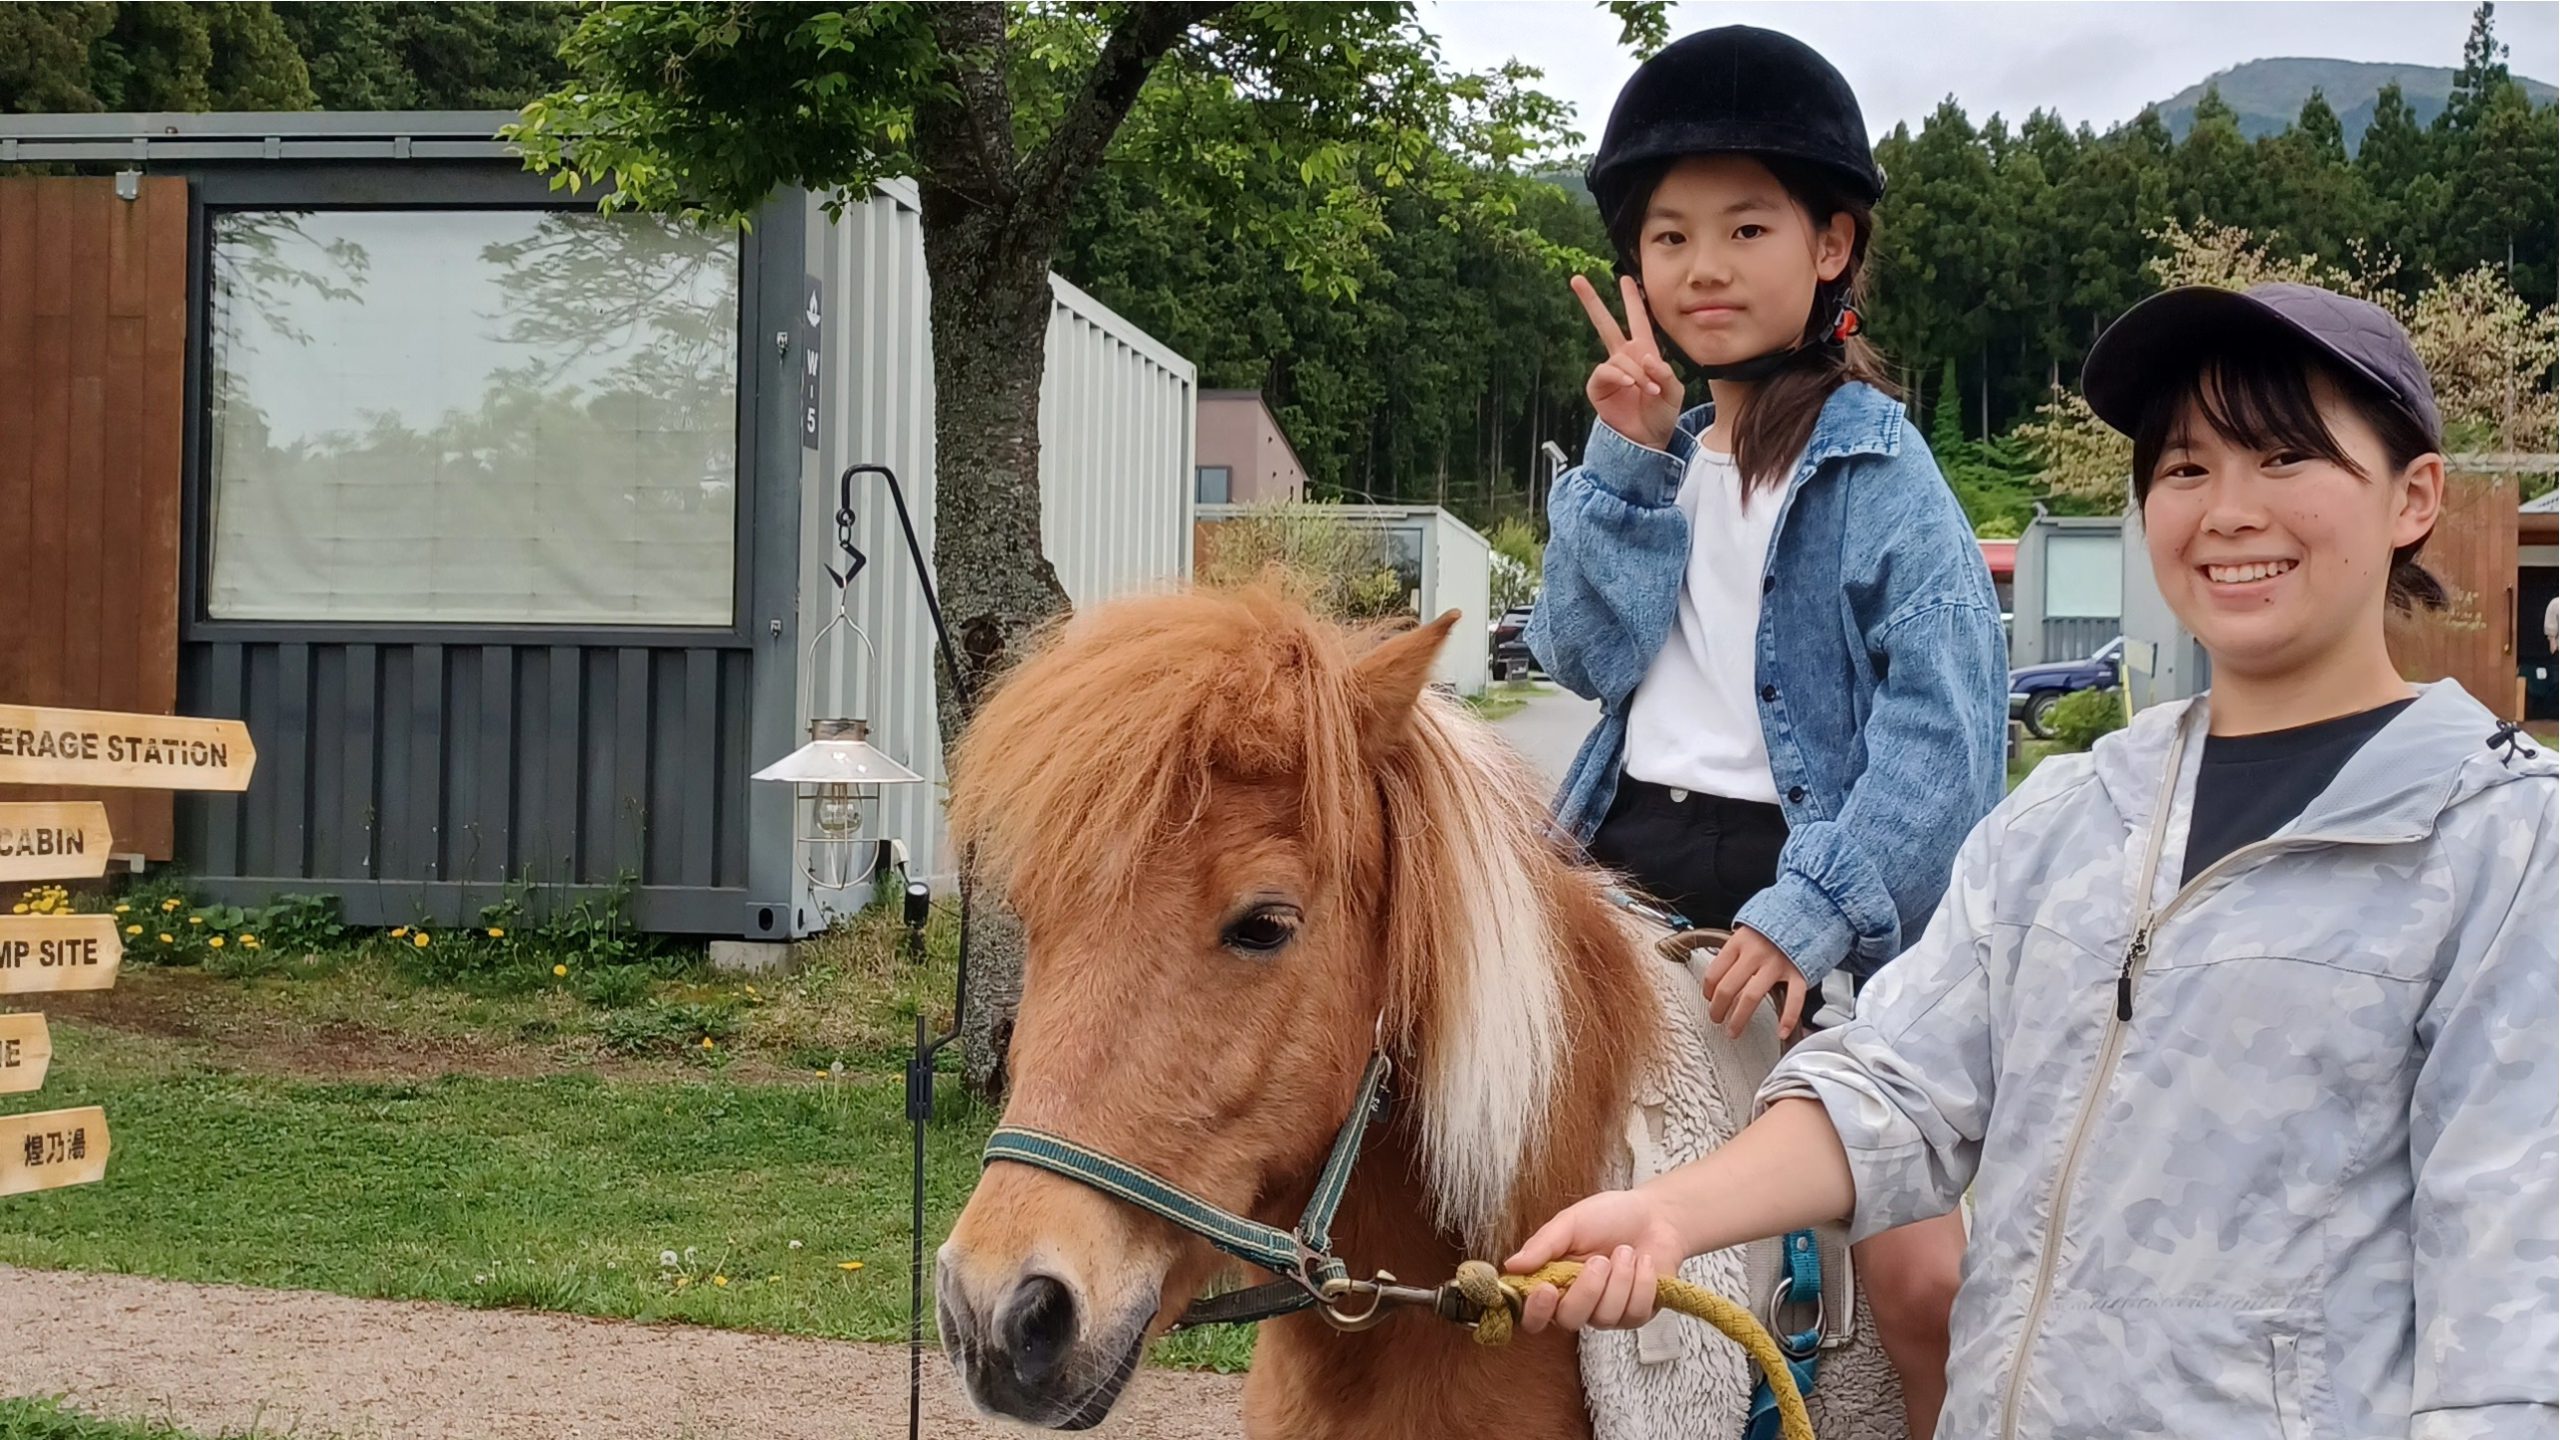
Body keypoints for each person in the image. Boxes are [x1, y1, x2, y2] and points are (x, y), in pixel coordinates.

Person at [1511, 281, 2559, 1440]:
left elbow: (2511, 1309)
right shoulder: (2068, 816)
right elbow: (1897, 1090)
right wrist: (1668, 1215)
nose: (2227, 511)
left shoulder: (2500, 842)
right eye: (2184, 468)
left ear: (2414, 497)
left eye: (2284, 459)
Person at [1522, 26, 2007, 1434]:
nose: (1703, 266)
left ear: (1833, 246)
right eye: (1668, 236)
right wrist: (1617, 462)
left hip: (1810, 907)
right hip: (1609, 875)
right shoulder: (1651, 456)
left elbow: (1944, 746)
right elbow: (1574, 653)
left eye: (1747, 227)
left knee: (1924, 1284)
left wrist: (1815, 911)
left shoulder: (1888, 479)